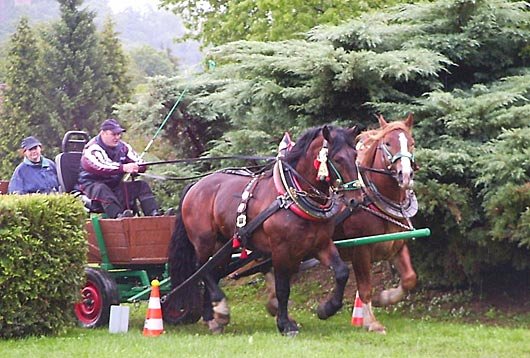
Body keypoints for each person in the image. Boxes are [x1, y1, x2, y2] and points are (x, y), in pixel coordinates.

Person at [77, 118, 161, 218]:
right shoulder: (92, 149)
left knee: (142, 186)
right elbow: (101, 166)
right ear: (103, 133)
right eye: (114, 134)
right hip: (91, 188)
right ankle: (118, 217)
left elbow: (139, 161)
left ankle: (154, 214)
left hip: (115, 187)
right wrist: (124, 167)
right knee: (102, 189)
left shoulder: (123, 147)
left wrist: (139, 167)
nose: (117, 137)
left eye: (119, 134)